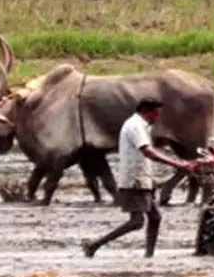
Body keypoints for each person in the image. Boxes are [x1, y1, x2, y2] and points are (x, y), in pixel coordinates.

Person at [82, 98, 196, 258]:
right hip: (135, 179)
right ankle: (94, 246)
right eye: (156, 114)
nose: (157, 118)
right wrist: (178, 164)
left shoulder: (141, 126)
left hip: (143, 178)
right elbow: (148, 151)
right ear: (146, 112)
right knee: (136, 221)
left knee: (155, 217)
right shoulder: (135, 126)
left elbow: (148, 152)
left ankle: (149, 255)